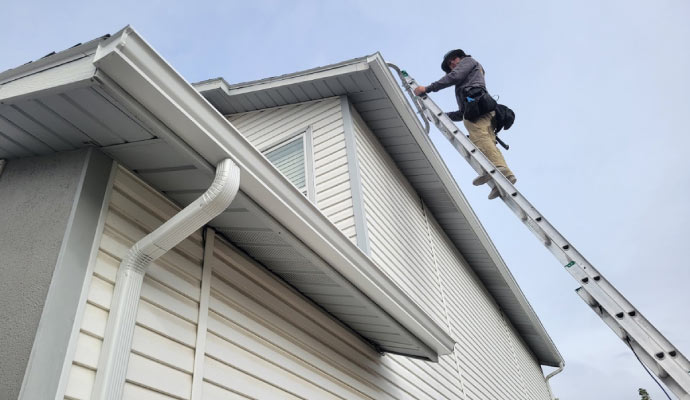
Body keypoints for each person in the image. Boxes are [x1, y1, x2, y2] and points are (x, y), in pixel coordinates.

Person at [413, 49, 516, 200]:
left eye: (452, 61)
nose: (451, 66)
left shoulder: (468, 62)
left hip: (479, 111)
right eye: (449, 65)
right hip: (478, 110)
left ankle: (500, 171)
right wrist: (442, 116)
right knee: (486, 143)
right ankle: (501, 182)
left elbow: (454, 76)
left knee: (480, 139)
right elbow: (462, 113)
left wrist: (428, 88)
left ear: (458, 58)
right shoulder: (467, 82)